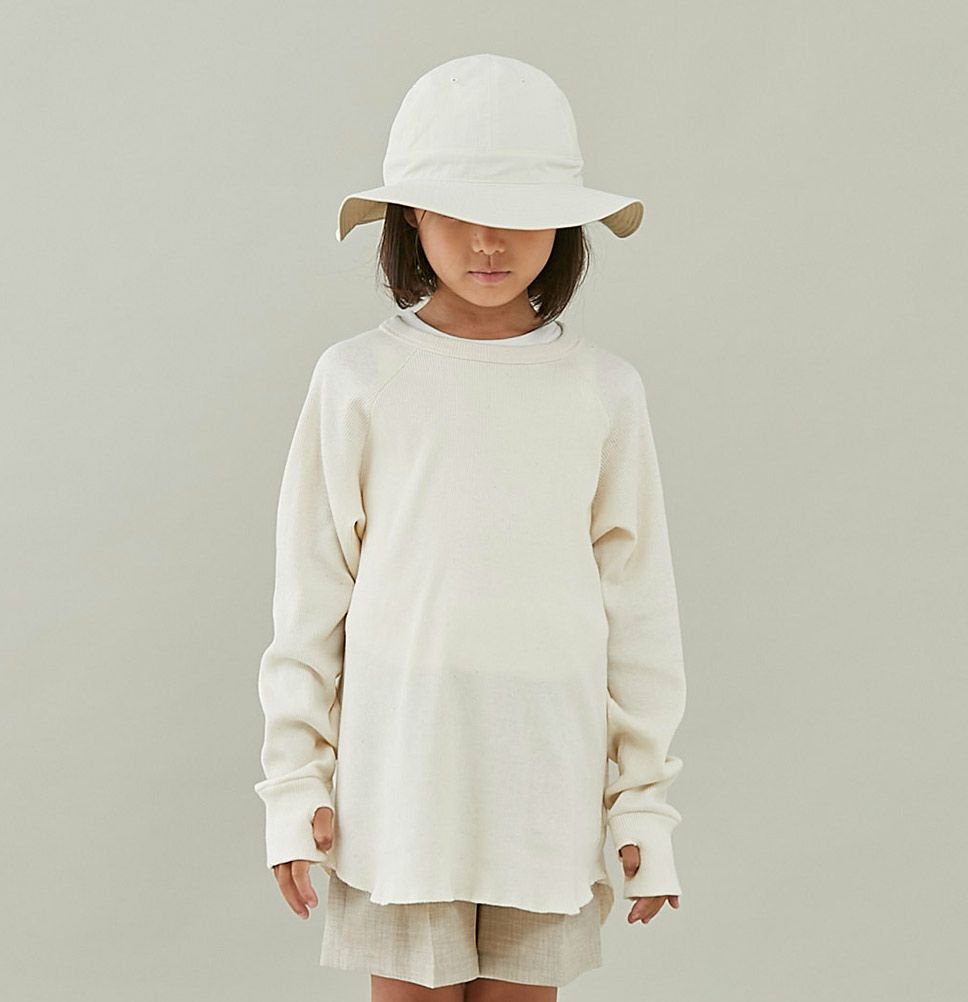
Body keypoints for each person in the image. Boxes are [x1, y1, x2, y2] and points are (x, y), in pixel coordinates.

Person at [254, 53, 688, 999]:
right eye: (457, 212)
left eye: (521, 214)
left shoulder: (603, 390)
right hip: (402, 774)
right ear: (411, 216)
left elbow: (639, 610)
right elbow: (312, 597)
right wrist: (296, 786)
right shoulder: (358, 379)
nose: (489, 242)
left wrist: (641, 806)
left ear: (564, 223)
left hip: (547, 777)